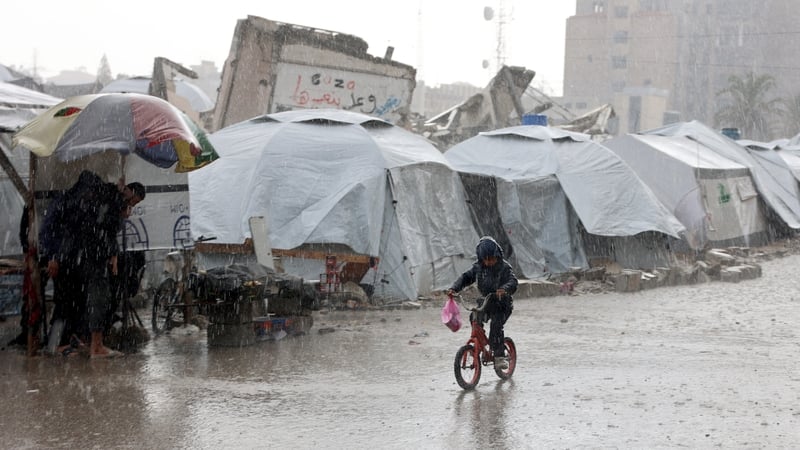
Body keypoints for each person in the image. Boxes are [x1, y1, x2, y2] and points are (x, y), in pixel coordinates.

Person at [447, 236, 518, 370]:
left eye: (491, 258)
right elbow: (466, 277)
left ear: (497, 255)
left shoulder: (504, 268)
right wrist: (454, 288)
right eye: (485, 259)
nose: (489, 262)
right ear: (481, 259)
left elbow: (513, 281)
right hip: (487, 301)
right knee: (474, 317)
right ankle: (481, 343)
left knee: (496, 325)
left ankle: (499, 356)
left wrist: (504, 289)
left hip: (502, 304)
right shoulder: (478, 267)